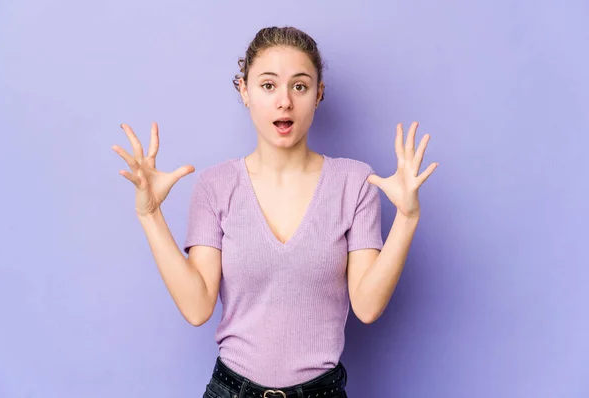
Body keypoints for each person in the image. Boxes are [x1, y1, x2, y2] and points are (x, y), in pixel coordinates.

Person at [112, 26, 437, 398]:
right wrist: (150, 214)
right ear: (244, 90)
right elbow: (197, 306)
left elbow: (366, 305)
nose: (284, 101)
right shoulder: (215, 186)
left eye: (299, 86)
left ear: (319, 94)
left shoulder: (355, 181)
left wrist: (408, 218)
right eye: (268, 85)